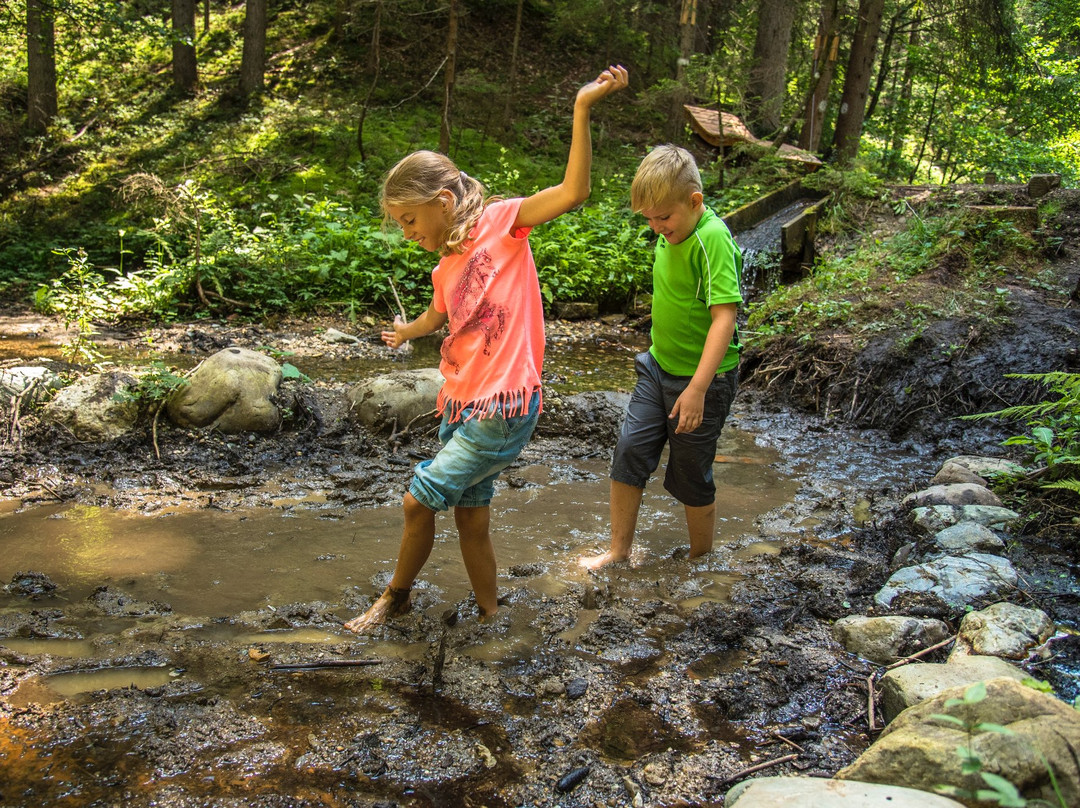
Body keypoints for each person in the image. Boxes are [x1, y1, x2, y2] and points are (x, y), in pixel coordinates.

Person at [345, 65, 629, 633]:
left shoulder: (504, 223)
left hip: (502, 406)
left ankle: (395, 598)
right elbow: (437, 316)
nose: (406, 231)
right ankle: (491, 613)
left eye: (409, 219)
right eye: (399, 224)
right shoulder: (444, 267)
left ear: (443, 200)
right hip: (463, 403)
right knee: (471, 517)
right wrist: (407, 332)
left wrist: (581, 107)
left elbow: (575, 192)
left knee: (416, 500)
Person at [579, 144, 742, 570]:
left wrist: (698, 389)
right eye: (648, 219)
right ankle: (618, 552)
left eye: (663, 218)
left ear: (695, 202)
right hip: (657, 367)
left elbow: (724, 318)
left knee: (690, 472)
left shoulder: (711, 238)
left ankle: (699, 559)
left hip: (702, 381)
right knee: (630, 450)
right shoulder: (670, 232)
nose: (655, 228)